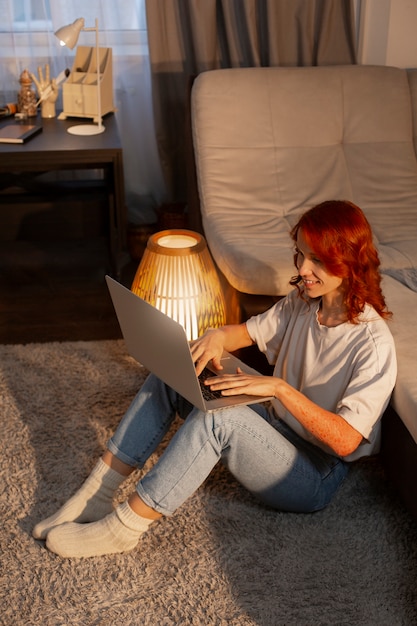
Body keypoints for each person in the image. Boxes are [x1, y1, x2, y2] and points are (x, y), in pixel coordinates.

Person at [33, 200, 397, 559]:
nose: (303, 269)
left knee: (220, 419)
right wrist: (217, 337)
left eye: (317, 260)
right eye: (300, 254)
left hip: (316, 473)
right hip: (274, 427)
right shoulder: (304, 301)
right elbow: (247, 332)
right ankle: (97, 493)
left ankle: (123, 529)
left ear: (348, 262)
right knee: (176, 370)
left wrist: (279, 389)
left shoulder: (372, 343)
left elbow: (347, 440)